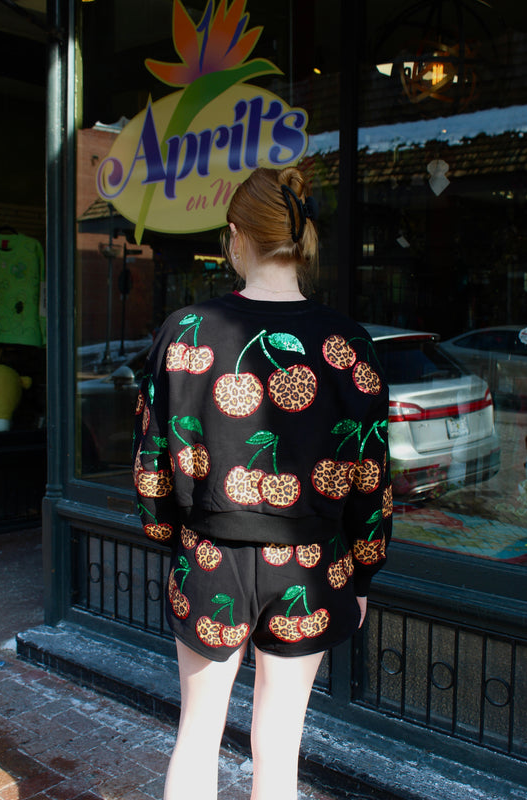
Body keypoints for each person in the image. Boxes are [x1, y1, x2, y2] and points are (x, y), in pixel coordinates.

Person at [133, 166, 392, 800]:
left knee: (196, 736)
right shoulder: (348, 342)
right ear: (301, 241)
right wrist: (363, 571)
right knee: (279, 753)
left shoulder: (186, 331)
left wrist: (177, 540)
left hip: (211, 555)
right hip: (311, 562)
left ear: (234, 238)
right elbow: (371, 474)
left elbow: (151, 459)